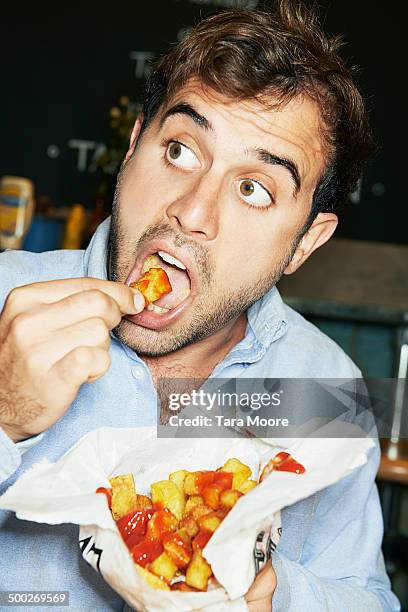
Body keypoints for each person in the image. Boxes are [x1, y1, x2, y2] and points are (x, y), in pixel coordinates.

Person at [0, 1, 400, 610]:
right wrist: (5, 415)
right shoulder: (6, 299)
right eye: (181, 151)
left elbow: (365, 597)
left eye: (253, 189)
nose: (191, 211)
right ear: (135, 146)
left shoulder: (325, 387)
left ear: (305, 243)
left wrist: (273, 595)